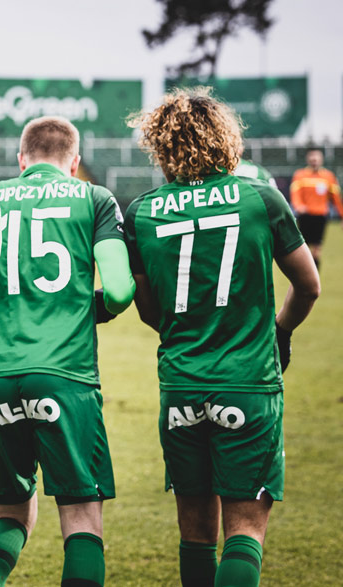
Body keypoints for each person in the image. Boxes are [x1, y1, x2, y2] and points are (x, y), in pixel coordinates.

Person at [124, 88, 320, 587]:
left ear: (161, 145)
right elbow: (309, 286)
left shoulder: (142, 211)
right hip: (248, 382)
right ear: (224, 139)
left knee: (195, 535)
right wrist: (279, 333)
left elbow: (149, 310)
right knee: (245, 532)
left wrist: (187, 331)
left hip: (181, 385)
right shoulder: (261, 198)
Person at [0, 116, 135, 587]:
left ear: (21, 160)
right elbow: (120, 291)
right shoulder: (93, 197)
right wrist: (92, 308)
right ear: (75, 162)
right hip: (66, 375)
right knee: (81, 519)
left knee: (10, 515)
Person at [290, 148, 343, 267]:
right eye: (312, 157)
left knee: (317, 250)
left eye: (317, 157)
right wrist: (298, 206)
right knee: (303, 248)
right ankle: (303, 274)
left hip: (320, 216)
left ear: (321, 159)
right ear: (308, 159)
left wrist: (342, 216)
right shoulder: (300, 175)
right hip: (305, 216)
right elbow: (295, 194)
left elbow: (336, 198)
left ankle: (315, 276)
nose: (314, 160)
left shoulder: (328, 176)